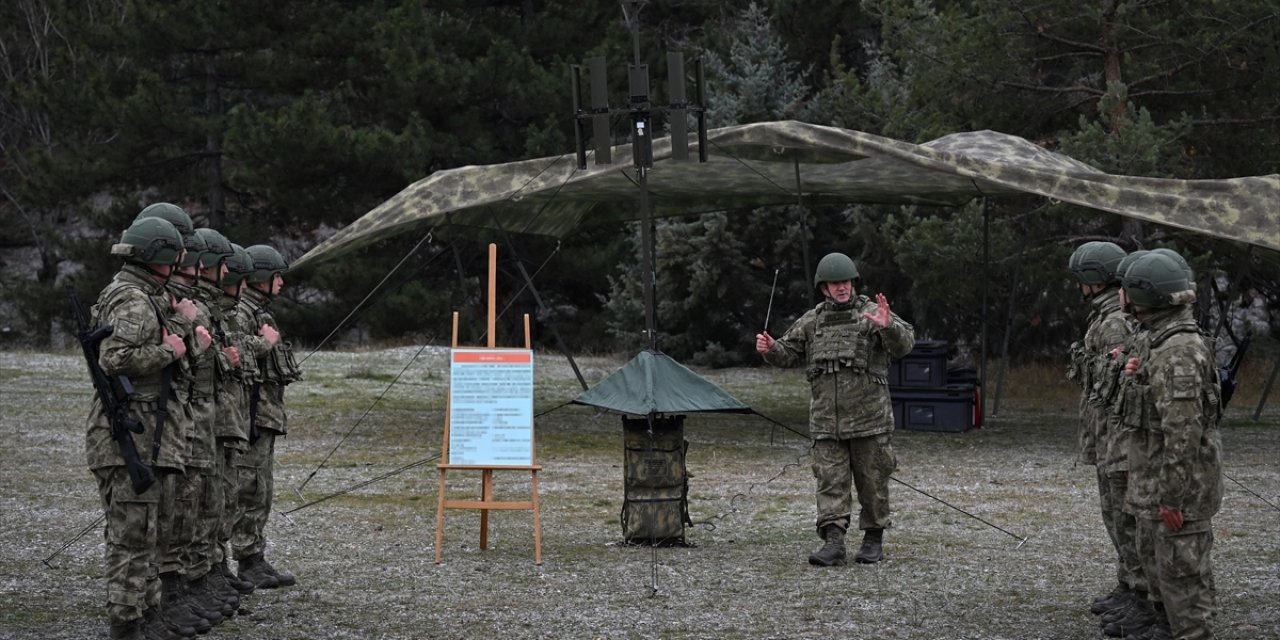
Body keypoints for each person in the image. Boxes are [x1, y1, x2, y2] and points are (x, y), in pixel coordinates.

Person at [754, 252, 915, 566]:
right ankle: (833, 542)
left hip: (869, 421)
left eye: (845, 282)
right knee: (830, 482)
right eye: (833, 283)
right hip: (827, 423)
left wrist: (888, 327)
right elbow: (787, 353)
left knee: (872, 483)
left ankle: (872, 540)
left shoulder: (873, 314)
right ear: (823, 288)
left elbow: (905, 344)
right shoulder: (812, 321)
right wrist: (770, 349)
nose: (841, 288)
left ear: (853, 283)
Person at [86, 216, 192, 640]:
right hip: (128, 434)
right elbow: (115, 358)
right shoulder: (132, 299)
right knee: (133, 535)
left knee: (147, 531)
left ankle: (146, 617)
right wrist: (170, 348)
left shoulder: (141, 294)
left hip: (142, 431)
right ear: (158, 257)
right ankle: (127, 625)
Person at [1119, 251, 1223, 640]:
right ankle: (1167, 626)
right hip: (1156, 479)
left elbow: (1183, 432)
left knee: (1183, 582)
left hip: (1177, 488)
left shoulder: (1177, 351)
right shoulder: (1158, 341)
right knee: (1161, 570)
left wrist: (1172, 497)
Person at [1065, 242, 1145, 620]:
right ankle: (1129, 583)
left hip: (1118, 438)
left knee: (1123, 516)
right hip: (1107, 435)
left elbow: (1118, 385)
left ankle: (1141, 592)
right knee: (1115, 515)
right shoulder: (1107, 315)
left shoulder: (1114, 321)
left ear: (1094, 280)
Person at [233, 244, 298, 587]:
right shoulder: (243, 313)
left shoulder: (258, 312)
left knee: (261, 489)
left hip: (264, 415)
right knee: (249, 488)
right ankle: (246, 559)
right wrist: (263, 345)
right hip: (251, 417)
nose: (281, 283)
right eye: (276, 276)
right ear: (260, 277)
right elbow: (235, 352)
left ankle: (254, 557)